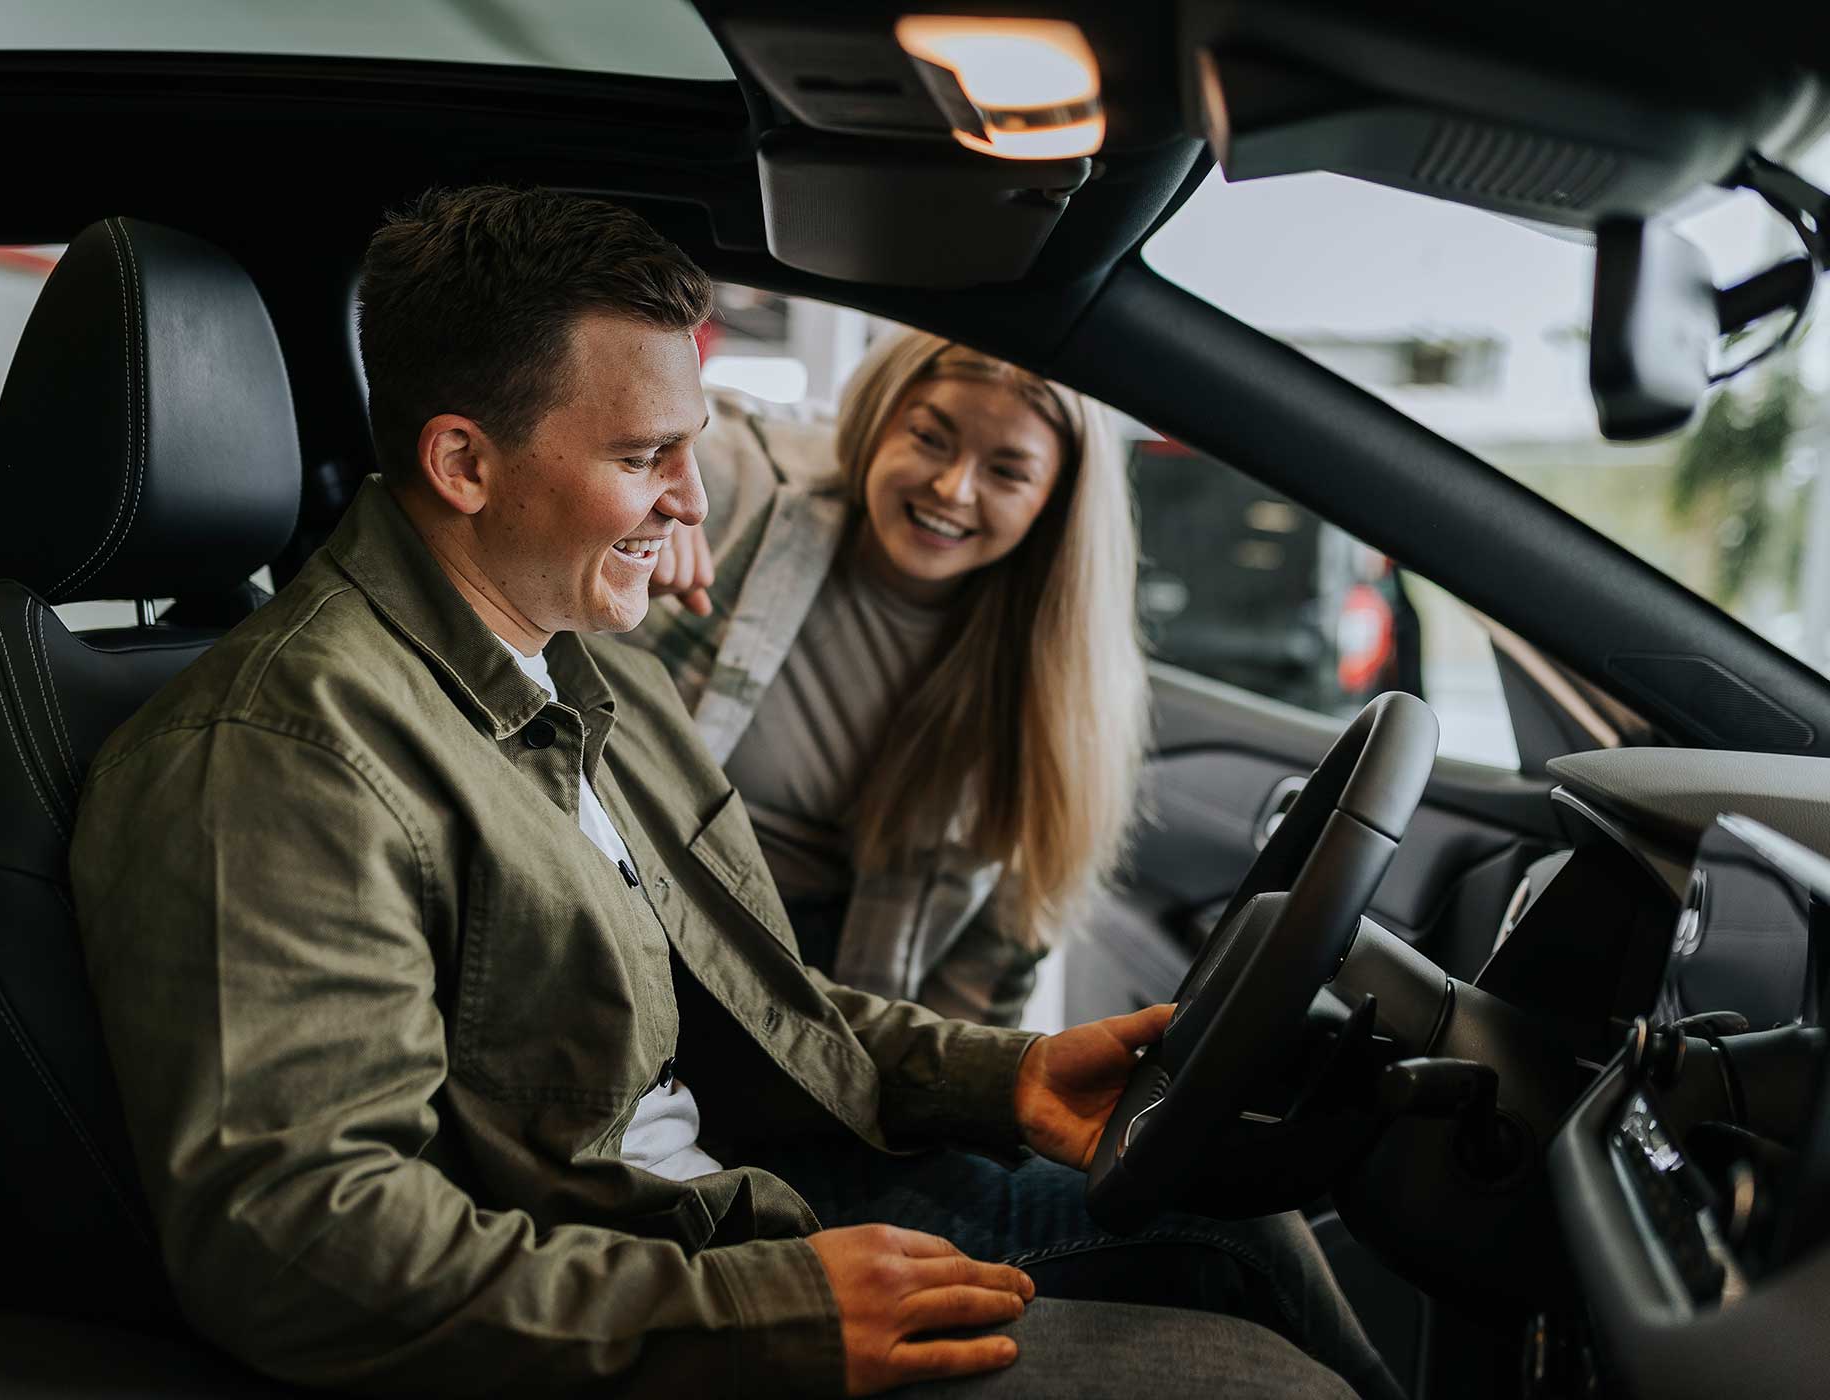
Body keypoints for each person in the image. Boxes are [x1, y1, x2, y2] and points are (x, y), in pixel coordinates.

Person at [70, 184, 1395, 1399]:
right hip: (652, 1296)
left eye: (691, 449)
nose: (690, 503)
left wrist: (1009, 1076)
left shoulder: (591, 664)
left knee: (1235, 1223)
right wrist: (763, 1313)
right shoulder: (285, 754)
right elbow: (298, 1242)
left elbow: (759, 1001)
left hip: (736, 1219)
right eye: (645, 456)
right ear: (465, 465)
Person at [634, 331, 1146, 1029]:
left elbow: (989, 977)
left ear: (1054, 504)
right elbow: (600, 417)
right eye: (930, 439)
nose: (952, 488)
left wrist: (952, 1082)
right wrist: (652, 475)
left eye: (1006, 472)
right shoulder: (739, 486)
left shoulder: (1055, 687)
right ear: (880, 420)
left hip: (833, 1007)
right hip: (641, 910)